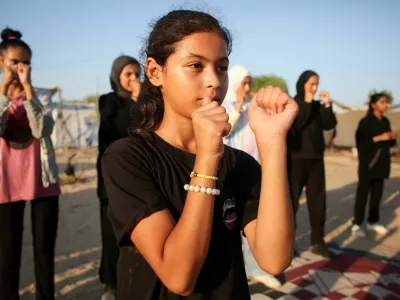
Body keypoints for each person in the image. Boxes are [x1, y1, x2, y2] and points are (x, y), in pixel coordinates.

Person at [102, 10, 297, 300]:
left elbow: (274, 259)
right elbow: (178, 277)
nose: (214, 82)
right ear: (155, 72)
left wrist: (273, 142)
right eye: (195, 65)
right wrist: (206, 157)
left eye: (221, 67)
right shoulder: (128, 158)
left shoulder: (239, 163)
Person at [0, 28, 60, 300]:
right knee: (7, 252)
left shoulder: (42, 95)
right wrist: (4, 90)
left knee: (44, 252)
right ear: (2, 63)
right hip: (5, 182)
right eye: (14, 62)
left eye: (25, 63)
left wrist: (27, 91)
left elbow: (41, 130)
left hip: (41, 180)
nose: (20, 68)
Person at [222, 65, 282, 289]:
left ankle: (256, 268)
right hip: (229, 174)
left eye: (249, 83)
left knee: (253, 222)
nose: (246, 88)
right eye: (243, 83)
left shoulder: (251, 107)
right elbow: (225, 131)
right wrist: (237, 106)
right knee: (230, 225)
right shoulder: (222, 106)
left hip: (252, 173)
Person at [96, 55, 141, 299]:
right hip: (111, 178)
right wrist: (136, 101)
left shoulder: (147, 102)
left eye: (137, 74)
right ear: (117, 77)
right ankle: (111, 284)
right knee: (110, 233)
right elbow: (114, 131)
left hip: (137, 177)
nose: (134, 79)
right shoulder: (109, 101)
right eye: (128, 75)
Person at [287, 70, 337, 258]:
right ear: (303, 84)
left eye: (317, 84)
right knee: (291, 203)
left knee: (318, 202)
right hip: (296, 160)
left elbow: (328, 124)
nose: (315, 88)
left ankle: (318, 241)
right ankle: (287, 243)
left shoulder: (317, 106)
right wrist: (308, 101)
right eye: (311, 84)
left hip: (316, 160)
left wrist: (326, 105)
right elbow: (298, 123)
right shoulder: (293, 104)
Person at [351, 93, 397, 237]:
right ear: (373, 105)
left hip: (382, 164)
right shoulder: (365, 122)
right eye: (382, 102)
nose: (385, 105)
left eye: (386, 102)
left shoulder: (385, 121)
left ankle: (373, 221)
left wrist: (391, 138)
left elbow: (390, 144)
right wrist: (379, 138)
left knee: (377, 195)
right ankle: (356, 224)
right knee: (362, 195)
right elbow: (361, 143)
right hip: (368, 165)